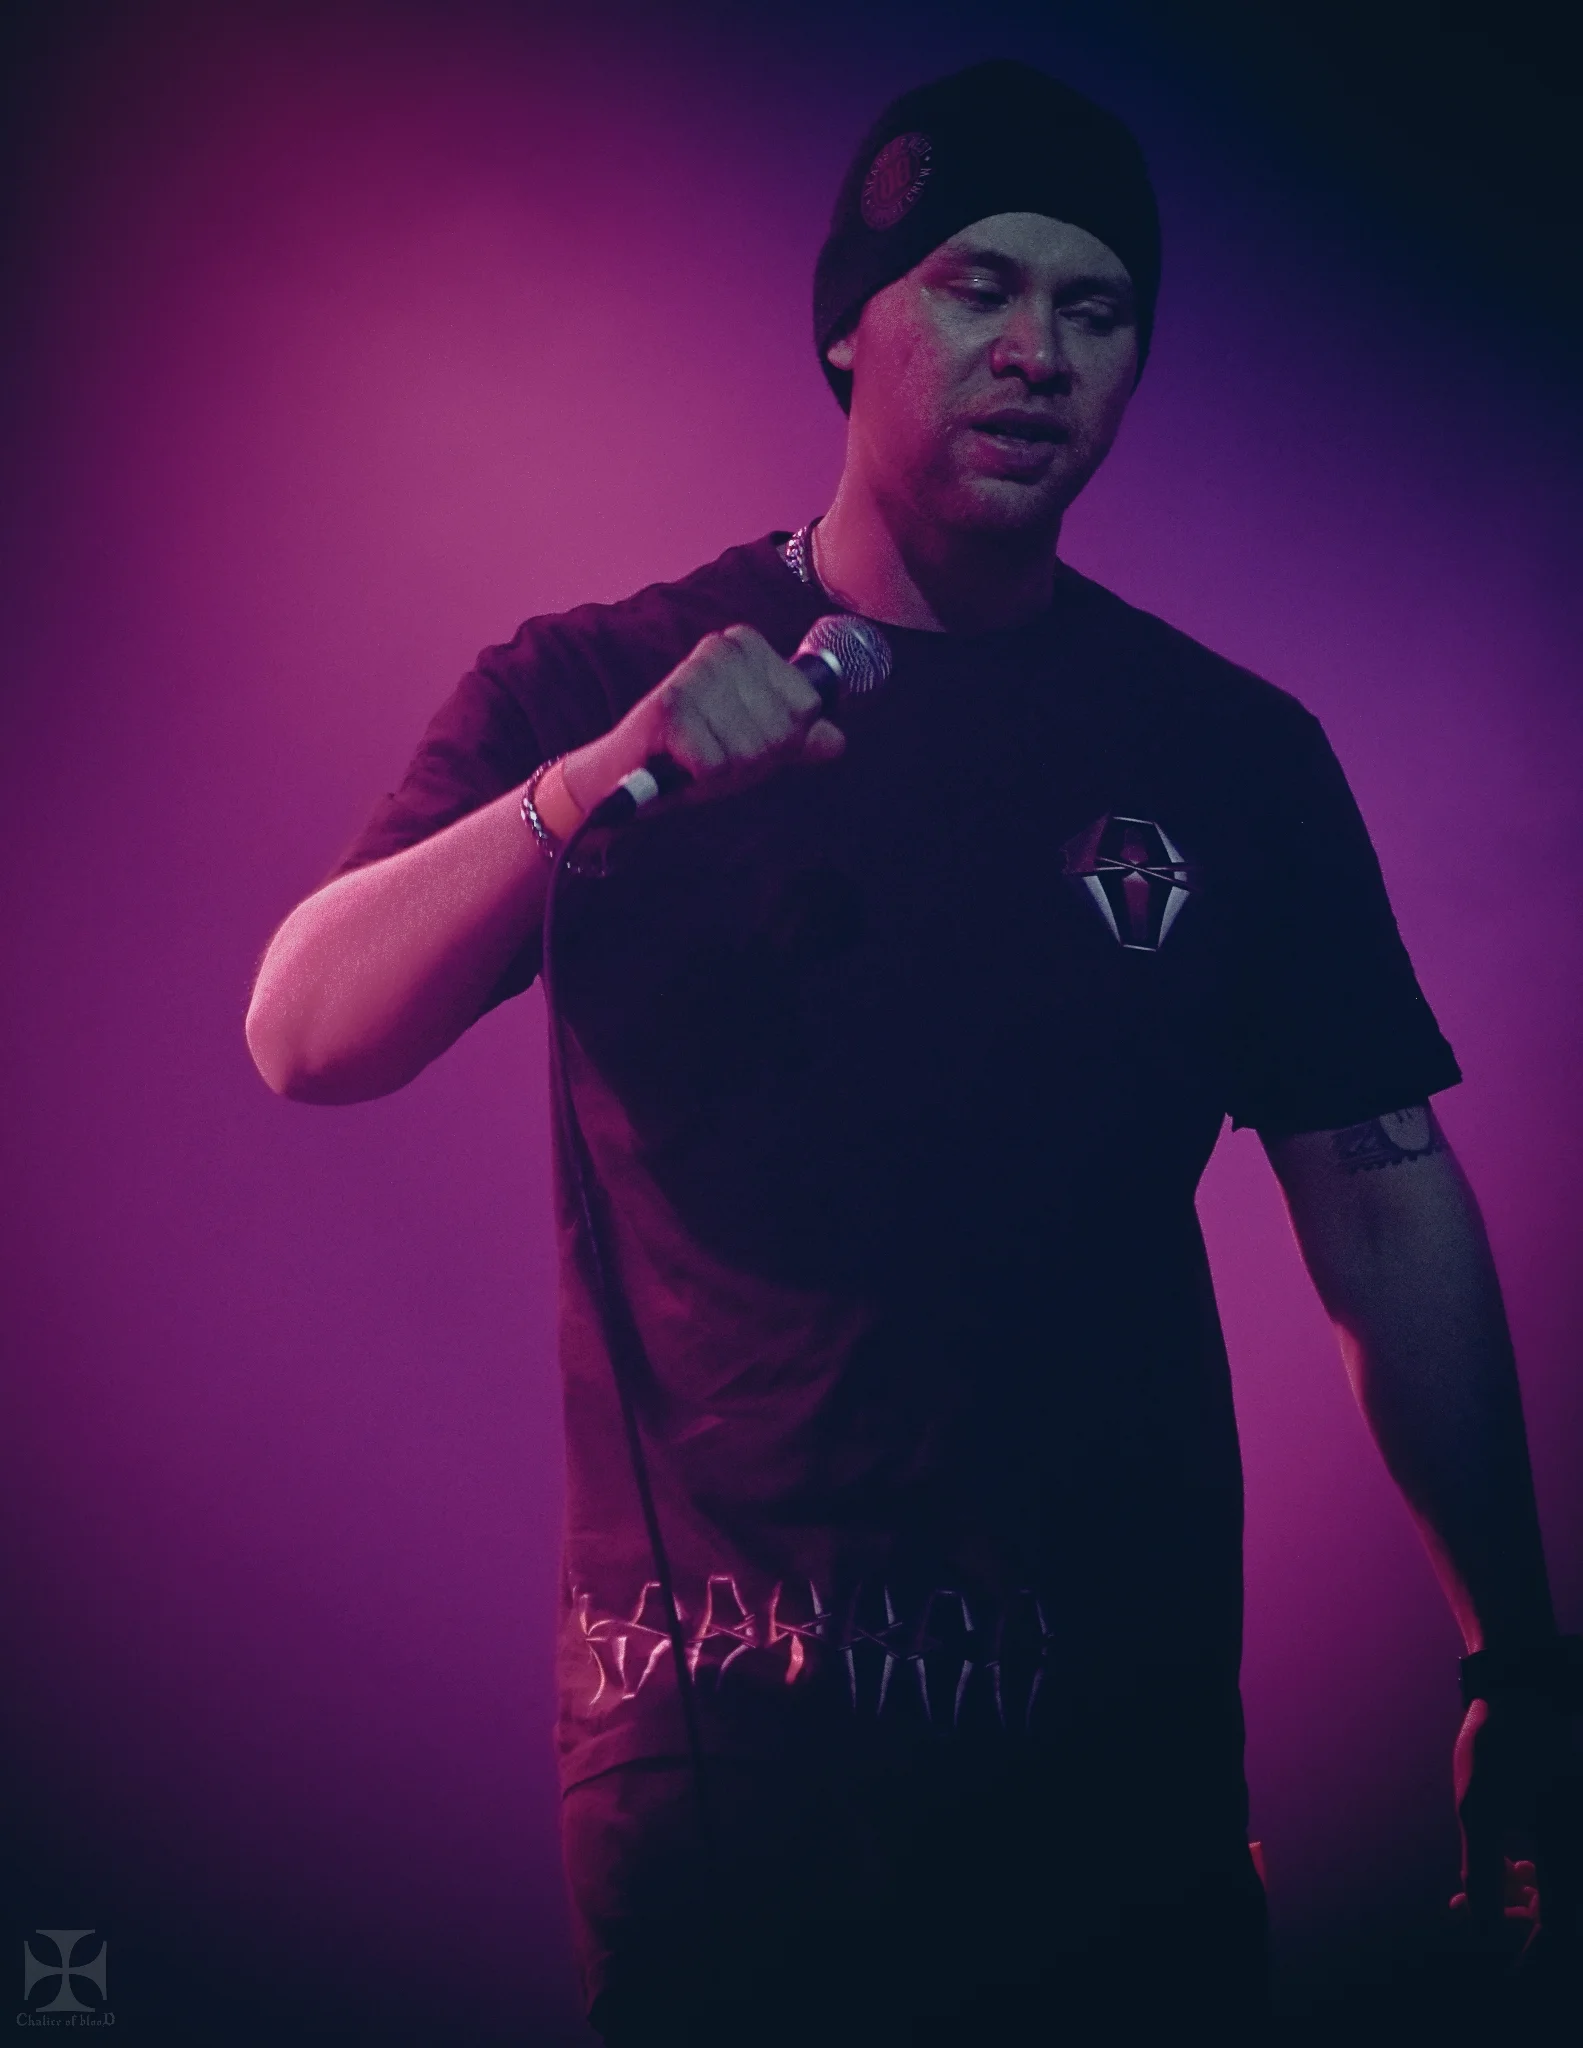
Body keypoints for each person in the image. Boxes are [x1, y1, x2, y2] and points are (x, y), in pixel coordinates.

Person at [245, 60, 1580, 2046]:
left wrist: (1511, 1660)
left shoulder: (1224, 754)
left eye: (1093, 307)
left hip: (1108, 1780)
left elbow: (1382, 1207)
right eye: (975, 286)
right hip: (718, 1773)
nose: (1036, 350)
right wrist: (591, 786)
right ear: (843, 331)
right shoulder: (593, 685)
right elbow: (304, 1028)